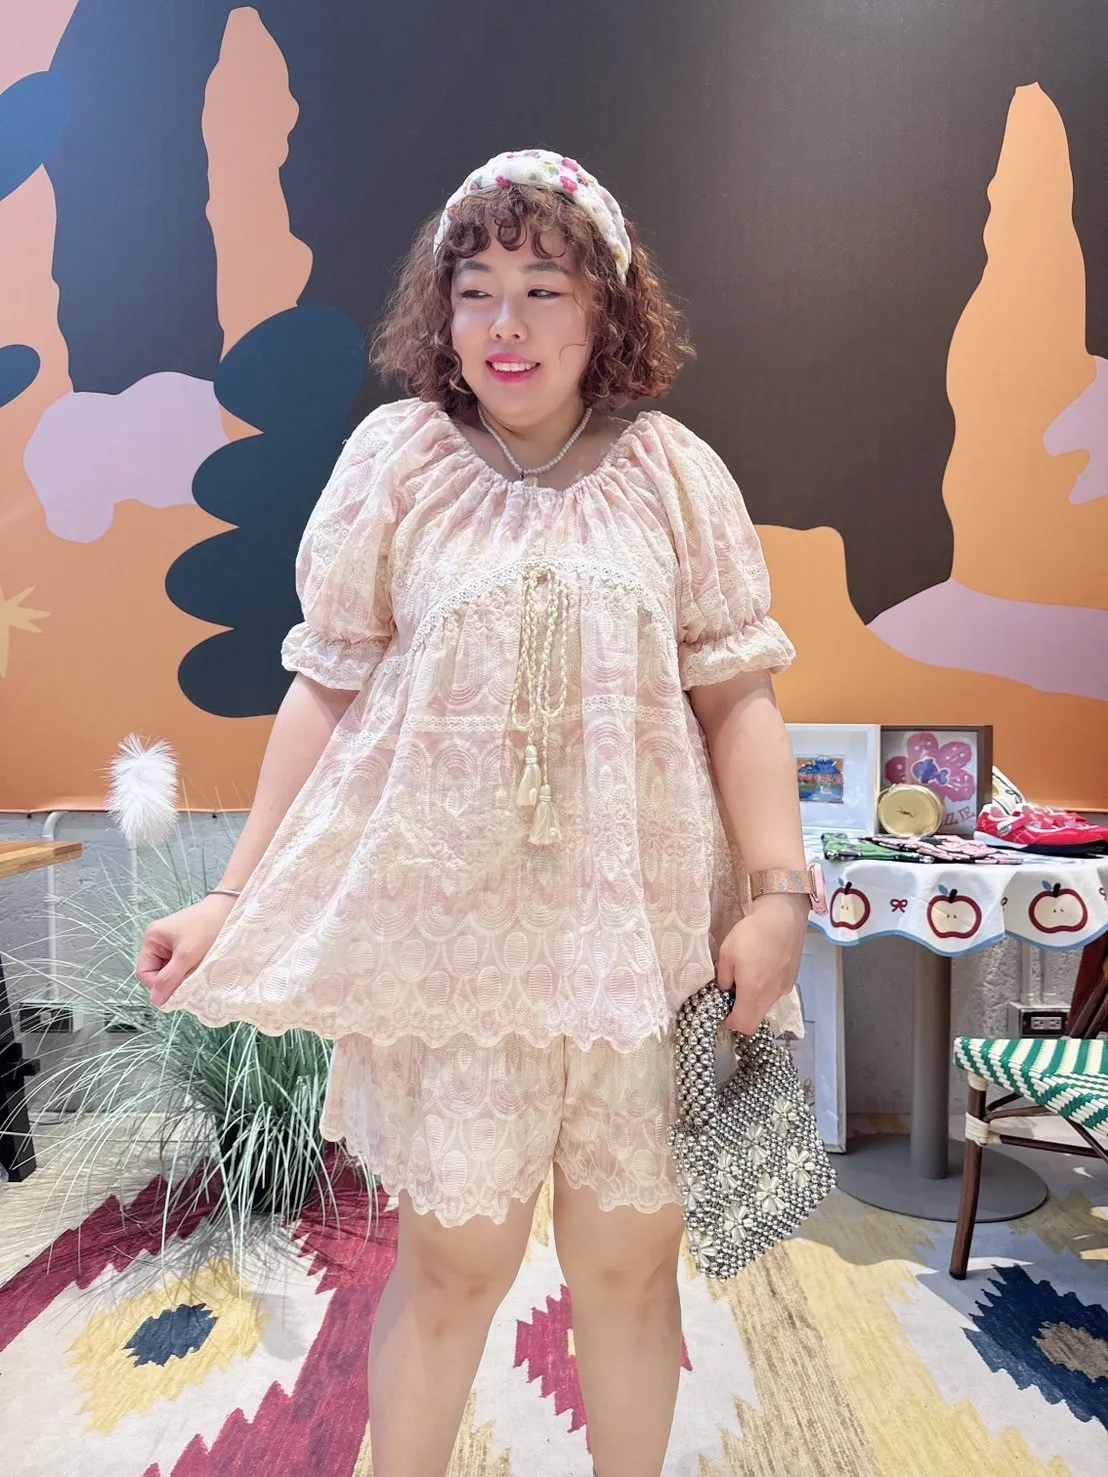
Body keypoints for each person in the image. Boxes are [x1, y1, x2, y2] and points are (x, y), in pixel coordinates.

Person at [137, 148, 812, 1477]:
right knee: (451, 1271)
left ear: (606, 307)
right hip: (451, 956)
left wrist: (780, 895)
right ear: (440, 311)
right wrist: (231, 896)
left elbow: (741, 697)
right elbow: (324, 691)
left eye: (545, 289)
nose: (508, 325)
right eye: (477, 289)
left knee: (629, 1271)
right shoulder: (396, 463)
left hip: (642, 951)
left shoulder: (675, 475)